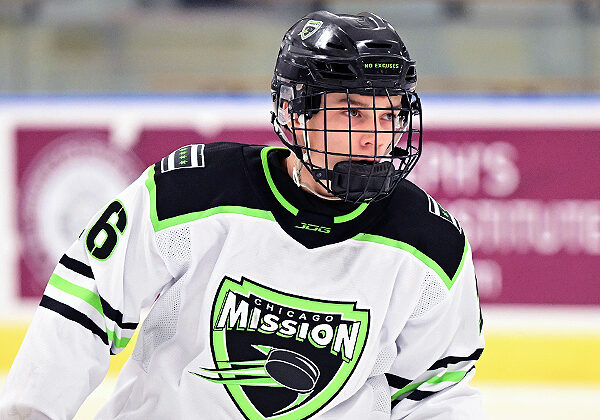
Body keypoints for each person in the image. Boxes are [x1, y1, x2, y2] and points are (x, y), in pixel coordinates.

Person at [0, 10, 484, 419]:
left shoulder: (431, 245)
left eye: (390, 115)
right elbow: (85, 302)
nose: (375, 137)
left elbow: (435, 394)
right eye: (352, 112)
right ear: (294, 112)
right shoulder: (192, 191)